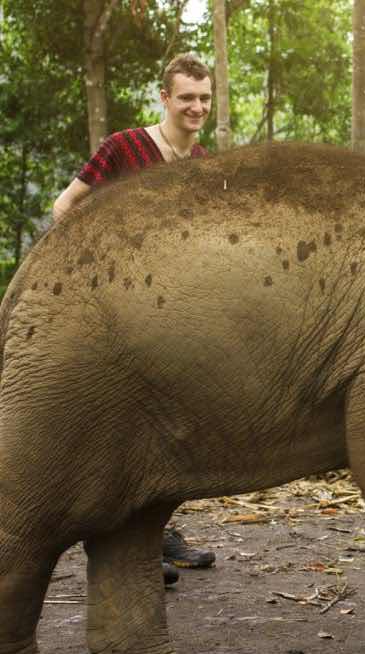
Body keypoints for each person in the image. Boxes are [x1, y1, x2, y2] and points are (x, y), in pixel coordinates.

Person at [52, 53, 218, 585]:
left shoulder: (203, 164)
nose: (196, 107)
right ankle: (123, 549)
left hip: (175, 319)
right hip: (116, 315)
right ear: (165, 98)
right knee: (118, 426)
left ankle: (156, 536)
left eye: (204, 98)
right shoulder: (123, 148)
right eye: (186, 97)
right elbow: (65, 207)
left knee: (174, 430)